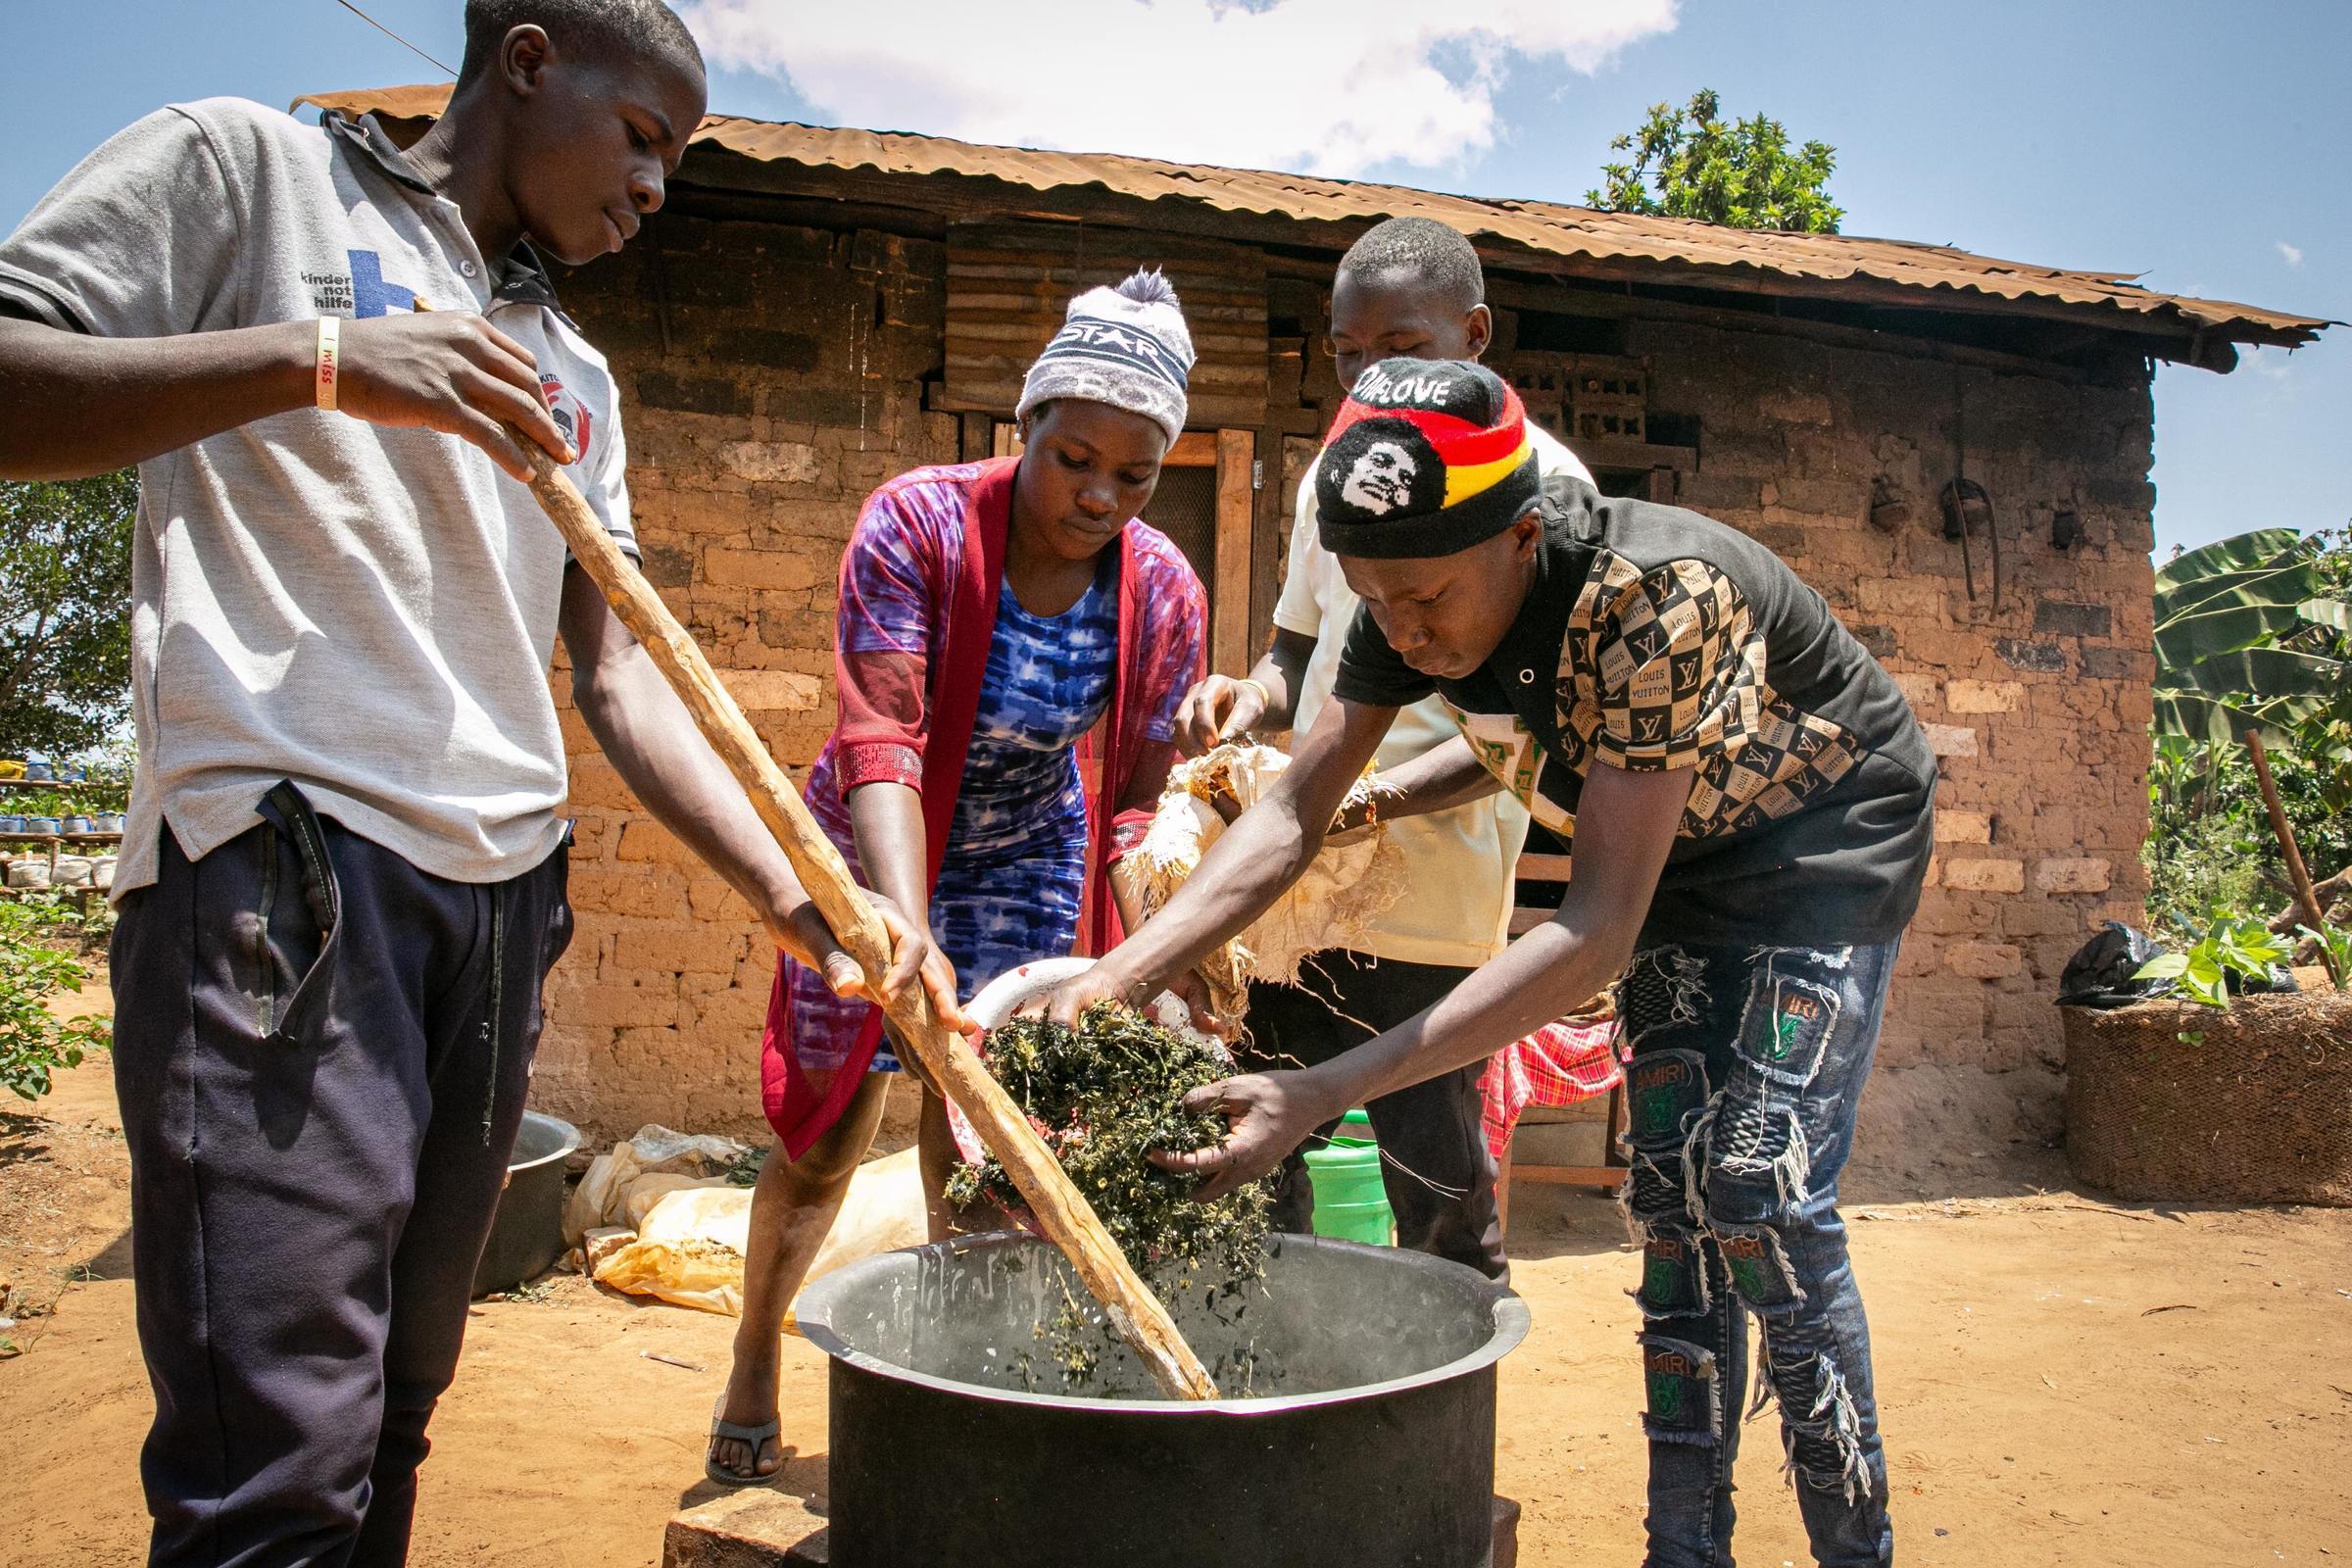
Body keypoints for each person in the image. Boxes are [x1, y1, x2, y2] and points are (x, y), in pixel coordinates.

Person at [0, 6, 935, 1563]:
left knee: (394, 1419)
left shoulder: (573, 372)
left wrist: (795, 898)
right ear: (523, 61)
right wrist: (321, 360)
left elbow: (623, 675)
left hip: (498, 909)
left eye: (677, 163)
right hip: (279, 878)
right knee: (274, 1455)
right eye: (643, 138)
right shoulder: (251, 174)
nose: (655, 191)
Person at [1047, 359, 1933, 1567]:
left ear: (1521, 538)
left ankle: (1855, 1547)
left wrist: (1320, 1089)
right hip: (1674, 852)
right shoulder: (1407, 593)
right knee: (1670, 1201)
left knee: (1758, 1189)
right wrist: (1118, 975)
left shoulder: (1657, 597)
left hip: (1825, 840)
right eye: (1376, 601)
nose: (1403, 632)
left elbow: (1593, 927)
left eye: (1424, 600)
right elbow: (1296, 809)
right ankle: (1687, 1546)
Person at [706, 270, 1210, 1484]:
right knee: (828, 1139)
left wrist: (1161, 957)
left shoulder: (1163, 592)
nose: (1099, 494)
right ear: (1025, 424)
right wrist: (900, 923)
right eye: (1074, 455)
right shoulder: (916, 522)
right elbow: (881, 731)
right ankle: (754, 1362)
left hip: (1033, 848)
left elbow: (1139, 803)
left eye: (1133, 477)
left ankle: (955, 1394)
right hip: (877, 834)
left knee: (985, 1138)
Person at [1169, 216, 1592, 1280]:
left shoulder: (1542, 488)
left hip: (1431, 908)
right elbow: (1298, 654)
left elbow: (1519, 743)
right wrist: (1247, 701)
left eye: (1400, 345)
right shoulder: (1337, 477)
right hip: (1297, 896)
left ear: (1476, 334)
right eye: (1348, 352)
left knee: (1438, 1184)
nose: (1368, 373)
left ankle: (1441, 1409)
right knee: (1259, 1159)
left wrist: (1361, 804)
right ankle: (1288, 1373)